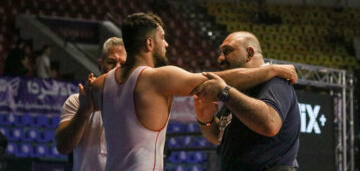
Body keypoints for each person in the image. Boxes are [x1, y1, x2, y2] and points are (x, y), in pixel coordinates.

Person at [89, 12, 298, 171]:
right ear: (150, 43)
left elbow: (269, 124)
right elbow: (207, 82)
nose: (167, 43)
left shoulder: (100, 84)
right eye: (163, 38)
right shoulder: (156, 78)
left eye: (227, 51)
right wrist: (270, 69)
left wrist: (211, 113)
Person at [193, 32, 300, 171]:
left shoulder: (275, 81)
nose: (220, 59)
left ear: (249, 53)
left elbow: (269, 124)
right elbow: (218, 136)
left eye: (227, 51)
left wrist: (224, 92)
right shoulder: (237, 90)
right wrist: (206, 119)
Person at [55, 37, 127, 171]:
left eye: (123, 64)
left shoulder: (134, 104)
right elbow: (63, 147)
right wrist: (84, 111)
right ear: (100, 64)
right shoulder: (76, 101)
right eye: (111, 62)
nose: (117, 68)